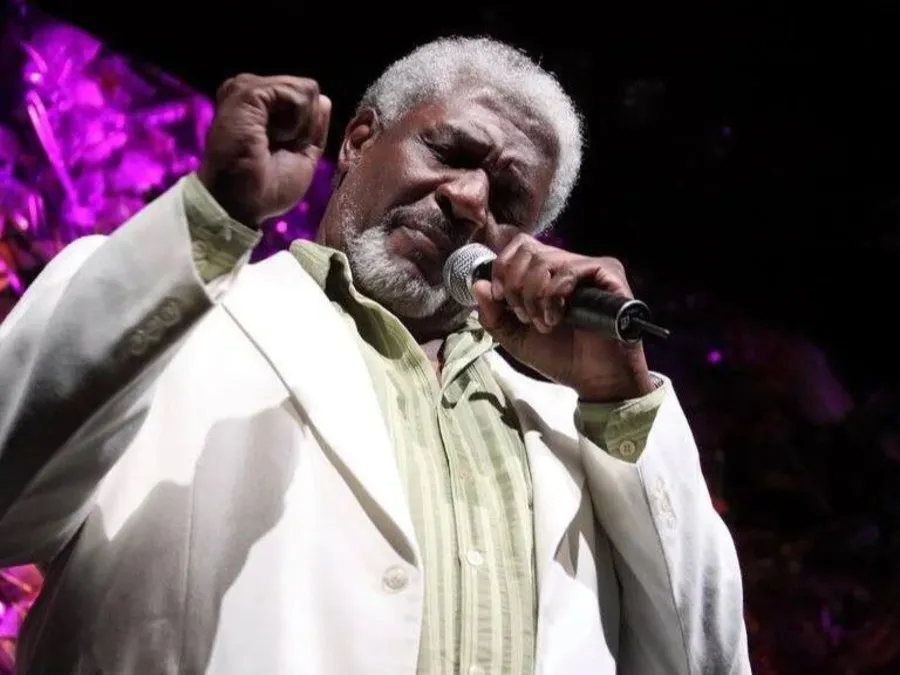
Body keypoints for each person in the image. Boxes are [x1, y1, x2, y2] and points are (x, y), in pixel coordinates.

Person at [0, 37, 751, 674]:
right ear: (358, 140)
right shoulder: (168, 311)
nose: (468, 198)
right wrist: (211, 218)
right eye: (449, 151)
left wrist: (619, 401)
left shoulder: (575, 439)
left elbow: (705, 662)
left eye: (508, 199)